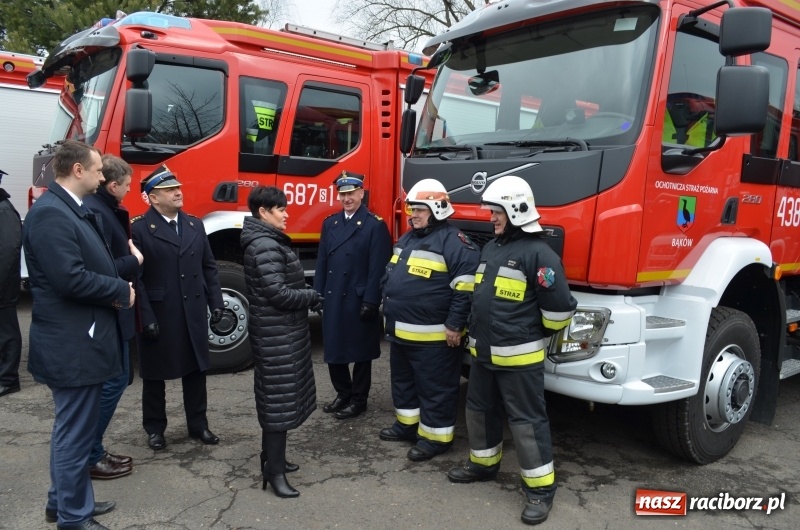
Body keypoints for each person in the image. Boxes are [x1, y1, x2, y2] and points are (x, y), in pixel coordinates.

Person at [446, 175, 577, 526]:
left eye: (496, 212)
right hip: (484, 356)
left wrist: (527, 334)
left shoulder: (540, 254)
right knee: (478, 410)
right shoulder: (492, 248)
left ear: (516, 210)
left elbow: (560, 311)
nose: (491, 219)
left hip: (520, 360)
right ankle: (484, 465)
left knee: (527, 424)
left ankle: (540, 490)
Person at [23, 140, 133, 530]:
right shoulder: (52, 214)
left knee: (73, 430)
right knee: (73, 434)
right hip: (73, 344)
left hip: (80, 341)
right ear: (78, 171)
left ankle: (63, 503)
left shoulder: (68, 208)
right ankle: (74, 518)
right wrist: (121, 290)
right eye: (99, 169)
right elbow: (69, 279)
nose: (104, 176)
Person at [380, 178, 480, 462]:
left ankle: (436, 438)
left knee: (435, 389)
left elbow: (466, 290)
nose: (413, 215)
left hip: (435, 338)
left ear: (437, 209)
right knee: (403, 383)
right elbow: (391, 276)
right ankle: (407, 426)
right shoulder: (408, 238)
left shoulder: (455, 242)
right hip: (401, 333)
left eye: (419, 210)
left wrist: (454, 325)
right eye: (411, 209)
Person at [131, 165, 224, 451]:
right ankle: (155, 428)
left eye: (178, 188)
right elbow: (137, 279)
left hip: (192, 311)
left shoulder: (195, 225)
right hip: (161, 312)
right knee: (155, 375)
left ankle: (198, 425)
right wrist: (145, 316)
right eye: (170, 190)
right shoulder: (140, 228)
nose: (178, 192)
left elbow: (209, 268)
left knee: (195, 371)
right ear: (153, 198)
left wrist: (216, 302)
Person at [241, 186, 322, 498]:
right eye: (281, 209)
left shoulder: (266, 242)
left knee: (279, 399)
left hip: (280, 334)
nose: (287, 214)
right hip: (277, 336)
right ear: (263, 212)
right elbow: (278, 294)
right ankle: (273, 473)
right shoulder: (265, 245)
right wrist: (311, 295)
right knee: (278, 402)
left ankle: (272, 459)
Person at [314, 171, 392, 420]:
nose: (347, 199)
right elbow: (322, 261)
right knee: (334, 349)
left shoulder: (374, 225)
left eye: (351, 194)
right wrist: (317, 293)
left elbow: (378, 267)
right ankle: (343, 394)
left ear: (361, 193)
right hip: (334, 294)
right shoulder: (331, 223)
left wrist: (372, 299)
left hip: (358, 298)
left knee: (360, 353)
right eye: (342, 194)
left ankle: (359, 400)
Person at [82, 155, 142, 479]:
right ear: (112, 184)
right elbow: (103, 268)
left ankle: (93, 450)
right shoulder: (97, 212)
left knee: (116, 380)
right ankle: (90, 454)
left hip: (115, 308)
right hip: (108, 310)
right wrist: (134, 260)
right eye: (128, 185)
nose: (130, 191)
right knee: (113, 381)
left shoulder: (104, 209)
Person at [0, 169, 23, 398]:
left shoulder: (4, 210)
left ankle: (8, 379)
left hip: (3, 285)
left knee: (6, 333)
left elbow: (8, 250)